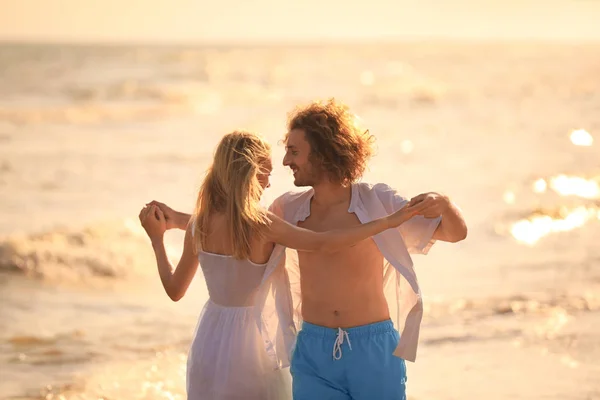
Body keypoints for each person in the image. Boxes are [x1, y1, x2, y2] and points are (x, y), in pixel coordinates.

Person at [139, 130, 428, 400]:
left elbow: (175, 290)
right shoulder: (263, 225)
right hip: (253, 342)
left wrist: (158, 239)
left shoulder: (199, 226)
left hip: (209, 341)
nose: (268, 183)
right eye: (266, 173)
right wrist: (385, 223)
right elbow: (324, 242)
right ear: (249, 173)